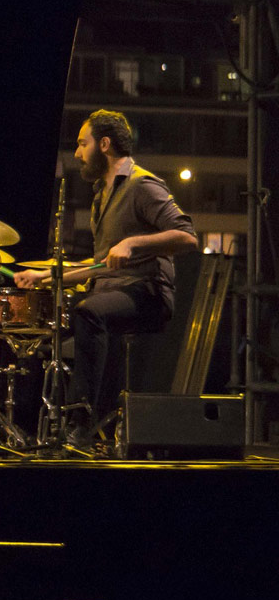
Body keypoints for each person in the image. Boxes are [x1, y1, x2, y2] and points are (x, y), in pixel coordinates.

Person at [14, 109, 196, 446]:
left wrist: (133, 241)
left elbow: (187, 237)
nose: (79, 152)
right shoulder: (102, 195)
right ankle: (24, 427)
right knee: (37, 330)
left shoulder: (143, 186)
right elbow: (99, 266)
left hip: (147, 293)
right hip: (109, 293)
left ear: (105, 144)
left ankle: (83, 420)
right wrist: (45, 276)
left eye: (83, 144)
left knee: (88, 312)